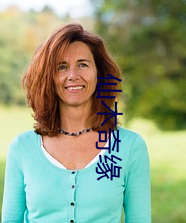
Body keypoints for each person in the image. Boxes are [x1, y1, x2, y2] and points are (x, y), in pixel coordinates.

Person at [1, 23, 151, 223]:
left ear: (99, 73)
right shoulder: (22, 148)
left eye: (83, 64)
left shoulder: (129, 147)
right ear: (49, 78)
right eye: (62, 67)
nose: (73, 75)